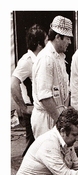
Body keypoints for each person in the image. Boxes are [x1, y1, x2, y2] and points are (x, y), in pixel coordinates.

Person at [31, 15, 73, 139]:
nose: (70, 42)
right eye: (68, 38)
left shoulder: (59, 57)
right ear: (57, 37)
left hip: (55, 116)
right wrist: (61, 122)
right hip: (46, 119)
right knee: (47, 156)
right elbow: (44, 97)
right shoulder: (47, 58)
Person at [11, 24, 47, 156]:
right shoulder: (26, 61)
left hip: (39, 109)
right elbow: (13, 84)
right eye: (46, 39)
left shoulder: (39, 59)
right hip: (32, 110)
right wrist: (24, 108)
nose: (48, 42)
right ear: (39, 43)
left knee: (38, 145)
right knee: (33, 147)